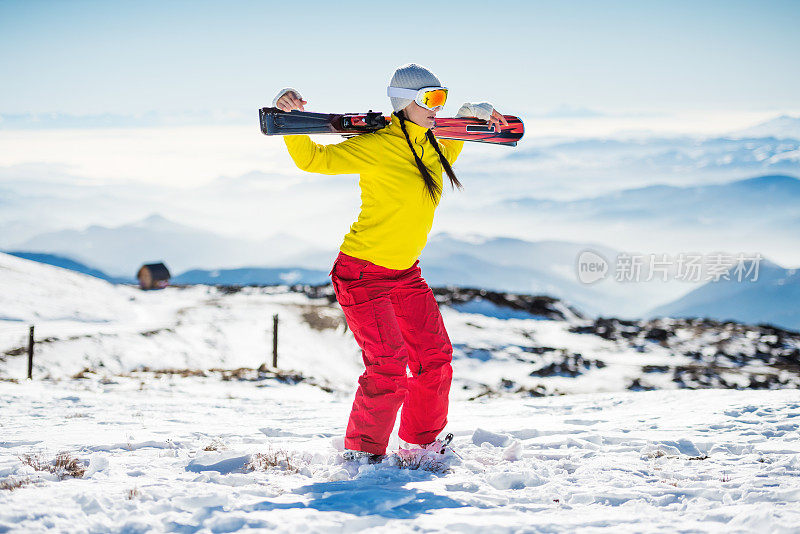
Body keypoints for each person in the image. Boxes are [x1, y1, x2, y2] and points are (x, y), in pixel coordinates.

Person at [272, 63, 508, 461]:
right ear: (405, 103)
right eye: (430, 99)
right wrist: (291, 119)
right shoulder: (377, 145)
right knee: (388, 368)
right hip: (361, 274)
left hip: (406, 275)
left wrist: (475, 110)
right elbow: (313, 160)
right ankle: (362, 455)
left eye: (441, 97)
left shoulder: (436, 144)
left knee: (435, 358)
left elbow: (462, 127)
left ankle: (420, 444)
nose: (438, 106)